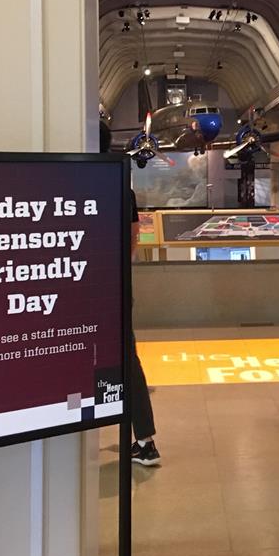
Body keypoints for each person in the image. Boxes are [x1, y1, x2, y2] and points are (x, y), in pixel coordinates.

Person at [100, 121, 161, 467]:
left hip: (75, 286)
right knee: (127, 357)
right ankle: (145, 439)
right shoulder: (120, 183)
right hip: (114, 285)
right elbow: (134, 236)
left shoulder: (67, 178)